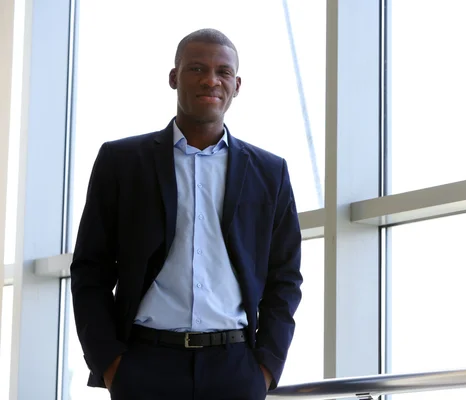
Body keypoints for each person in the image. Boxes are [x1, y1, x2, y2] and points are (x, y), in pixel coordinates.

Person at [70, 28, 303, 400]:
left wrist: (266, 367)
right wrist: (109, 363)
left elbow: (285, 277)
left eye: (223, 72)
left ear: (237, 84)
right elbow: (90, 270)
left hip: (235, 369)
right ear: (174, 77)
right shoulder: (121, 162)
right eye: (196, 68)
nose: (211, 80)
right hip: (144, 366)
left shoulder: (269, 172)